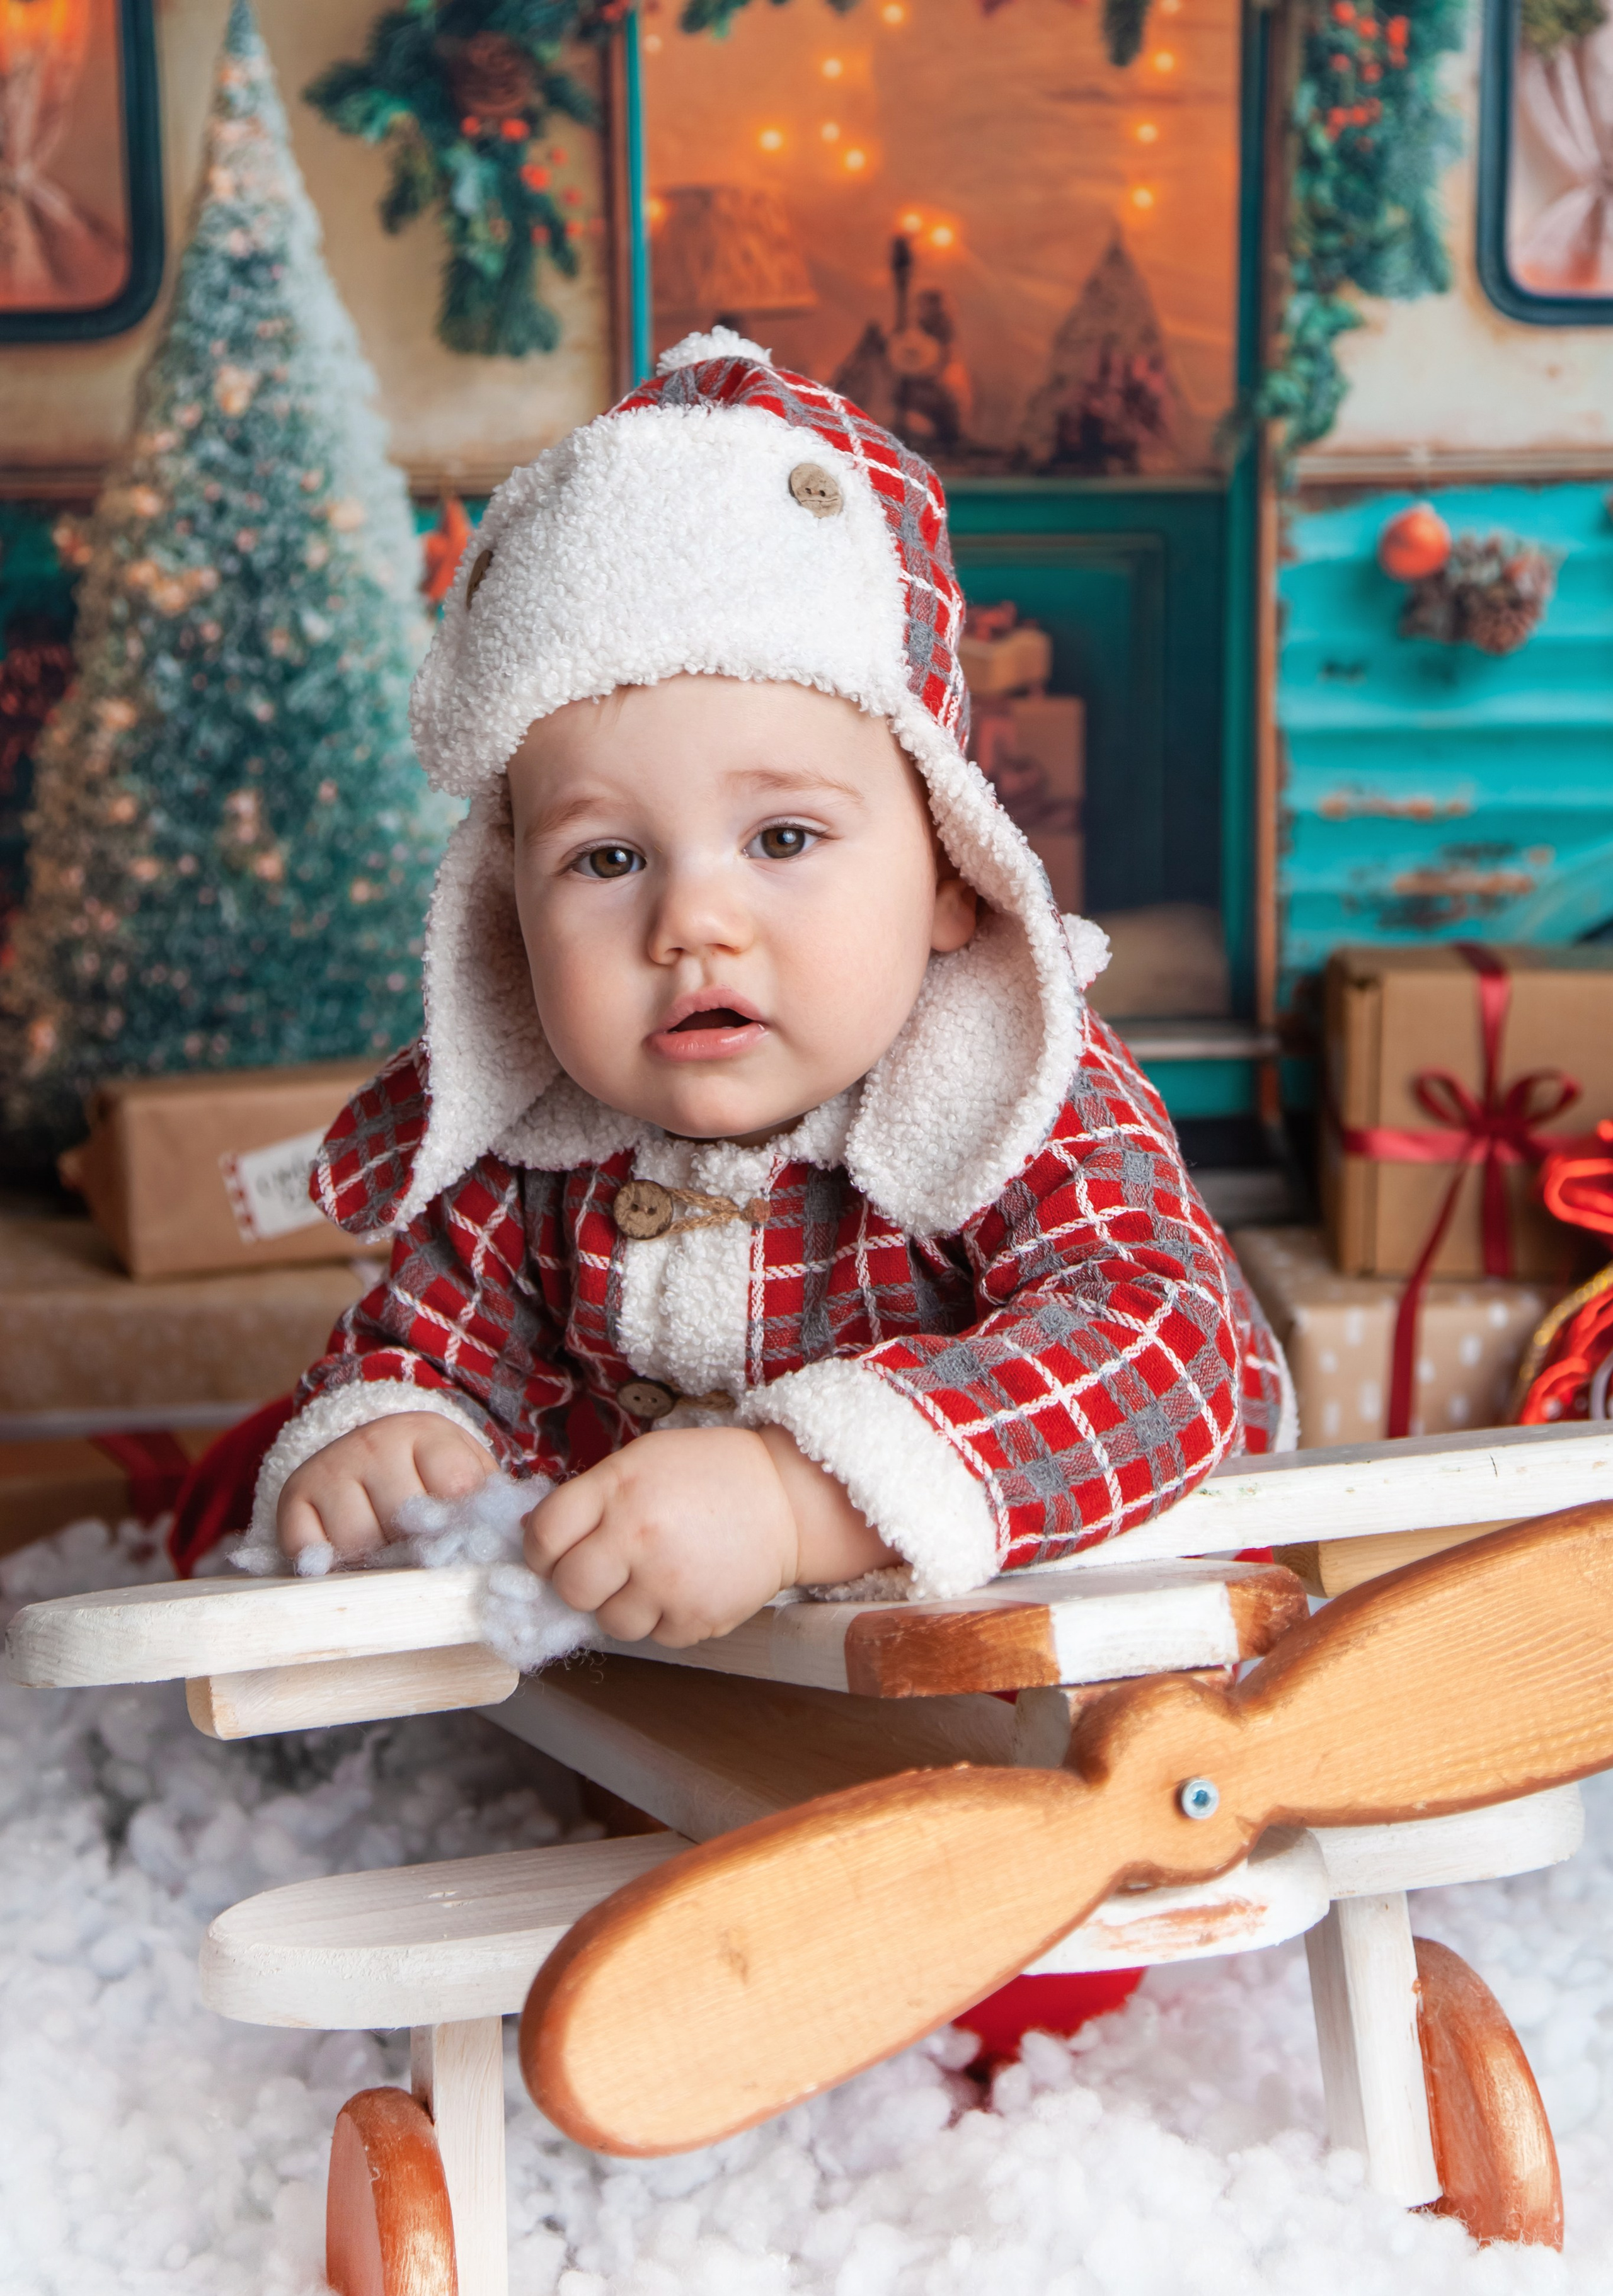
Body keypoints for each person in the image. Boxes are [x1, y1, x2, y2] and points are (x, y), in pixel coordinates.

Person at [244, 331, 1294, 1650]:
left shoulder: (1016, 1081)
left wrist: (800, 1497)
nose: (691, 922)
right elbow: (427, 1340)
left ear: (949, 880)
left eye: (783, 840)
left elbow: (1158, 1354)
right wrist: (398, 1435)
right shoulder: (536, 1145)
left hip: (1085, 1627)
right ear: (509, 921)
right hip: (729, 1669)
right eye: (606, 859)